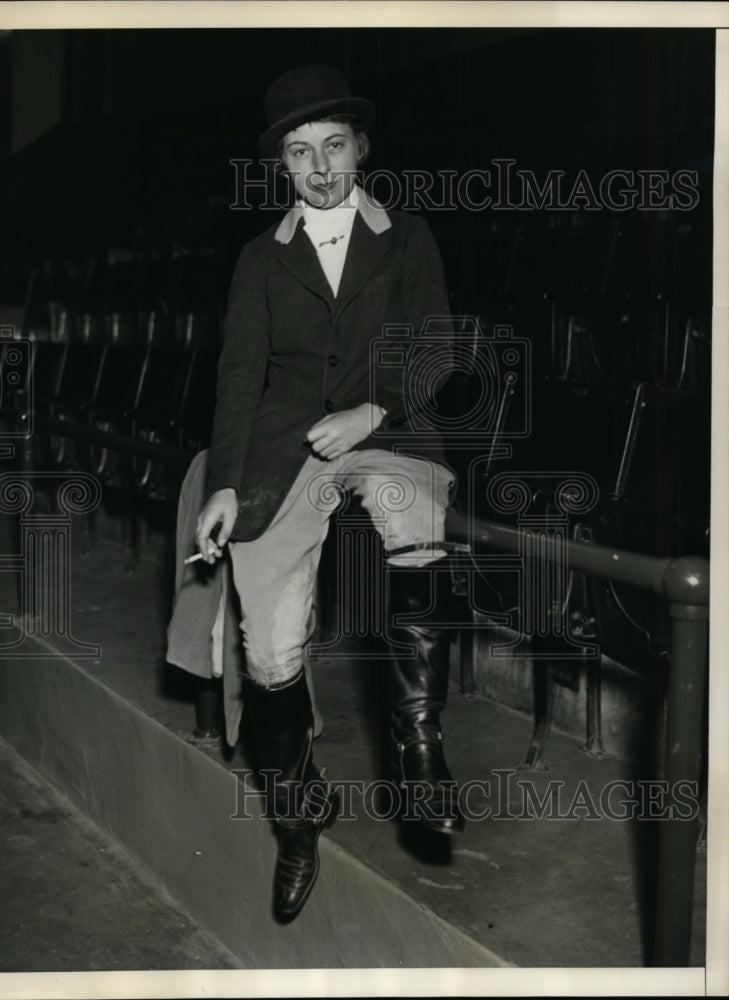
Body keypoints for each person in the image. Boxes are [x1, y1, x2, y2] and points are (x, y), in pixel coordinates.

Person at [195, 63, 463, 923]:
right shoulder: (258, 260)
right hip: (283, 451)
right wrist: (228, 485)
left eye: (334, 147)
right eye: (301, 153)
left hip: (388, 428)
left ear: (361, 150)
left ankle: (419, 755)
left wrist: (369, 412)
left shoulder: (407, 235)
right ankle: (301, 817)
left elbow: (439, 351)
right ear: (281, 167)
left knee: (406, 510)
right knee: (268, 647)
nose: (319, 167)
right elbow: (240, 377)